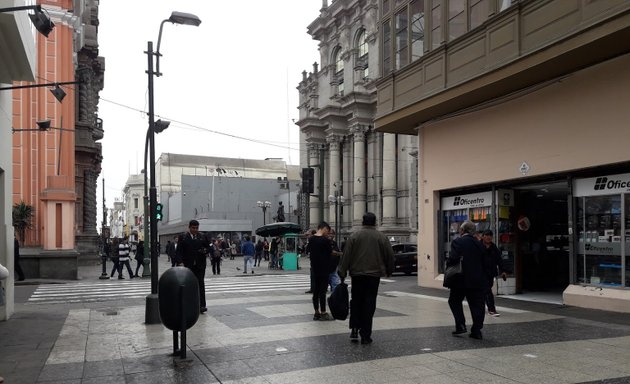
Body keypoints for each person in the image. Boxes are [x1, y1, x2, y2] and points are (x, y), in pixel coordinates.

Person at [338, 212, 394, 344]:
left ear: (362, 222)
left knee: (356, 301)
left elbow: (346, 256)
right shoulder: (381, 237)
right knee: (369, 303)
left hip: (357, 275)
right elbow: (390, 255)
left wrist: (342, 271)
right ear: (375, 222)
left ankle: (354, 329)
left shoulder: (354, 236)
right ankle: (366, 335)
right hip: (373, 276)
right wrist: (389, 270)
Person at [445, 221, 488, 340]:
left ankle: (461, 324)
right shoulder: (479, 244)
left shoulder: (458, 242)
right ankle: (477, 330)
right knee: (477, 305)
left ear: (462, 231)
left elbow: (453, 258)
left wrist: (448, 265)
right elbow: (485, 262)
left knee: (454, 301)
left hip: (460, 278)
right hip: (477, 279)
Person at [175, 220, 210, 313]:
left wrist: (205, 250)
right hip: (187, 265)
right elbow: (178, 251)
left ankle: (202, 305)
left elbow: (209, 248)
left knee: (200, 285)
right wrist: (180, 262)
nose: (195, 230)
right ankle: (187, 304)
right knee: (187, 285)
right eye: (193, 228)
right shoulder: (183, 237)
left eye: (197, 228)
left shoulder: (203, 236)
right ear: (189, 227)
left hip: (200, 265)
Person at [308, 222, 334, 321]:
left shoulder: (311, 239)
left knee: (315, 292)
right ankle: (323, 312)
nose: (328, 233)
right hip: (324, 269)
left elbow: (309, 252)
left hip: (314, 269)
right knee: (322, 291)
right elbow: (329, 253)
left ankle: (316, 312)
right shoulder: (325, 240)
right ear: (323, 228)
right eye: (327, 231)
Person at [481, 230, 507, 317]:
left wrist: (503, 271)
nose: (489, 237)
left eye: (490, 236)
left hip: (490, 273)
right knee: (487, 290)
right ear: (483, 236)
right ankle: (492, 309)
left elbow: (499, 260)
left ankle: (481, 307)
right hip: (481, 272)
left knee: (485, 290)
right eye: (487, 235)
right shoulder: (478, 246)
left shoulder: (494, 247)